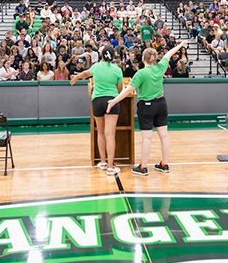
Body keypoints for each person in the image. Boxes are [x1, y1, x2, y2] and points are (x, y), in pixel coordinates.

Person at [106, 40, 189, 176]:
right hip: (161, 103)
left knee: (147, 138)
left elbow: (127, 91)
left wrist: (113, 101)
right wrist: (180, 45)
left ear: (143, 59)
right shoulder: (160, 67)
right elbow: (169, 54)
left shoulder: (141, 74)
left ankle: (143, 167)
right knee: (164, 135)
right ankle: (164, 164)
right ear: (154, 58)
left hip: (147, 106)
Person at [70, 46, 123, 175]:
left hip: (97, 101)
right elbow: (120, 90)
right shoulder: (117, 70)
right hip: (111, 101)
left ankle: (103, 162)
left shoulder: (96, 67)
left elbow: (86, 74)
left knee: (100, 132)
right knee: (110, 133)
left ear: (102, 55)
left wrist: (76, 78)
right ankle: (111, 167)